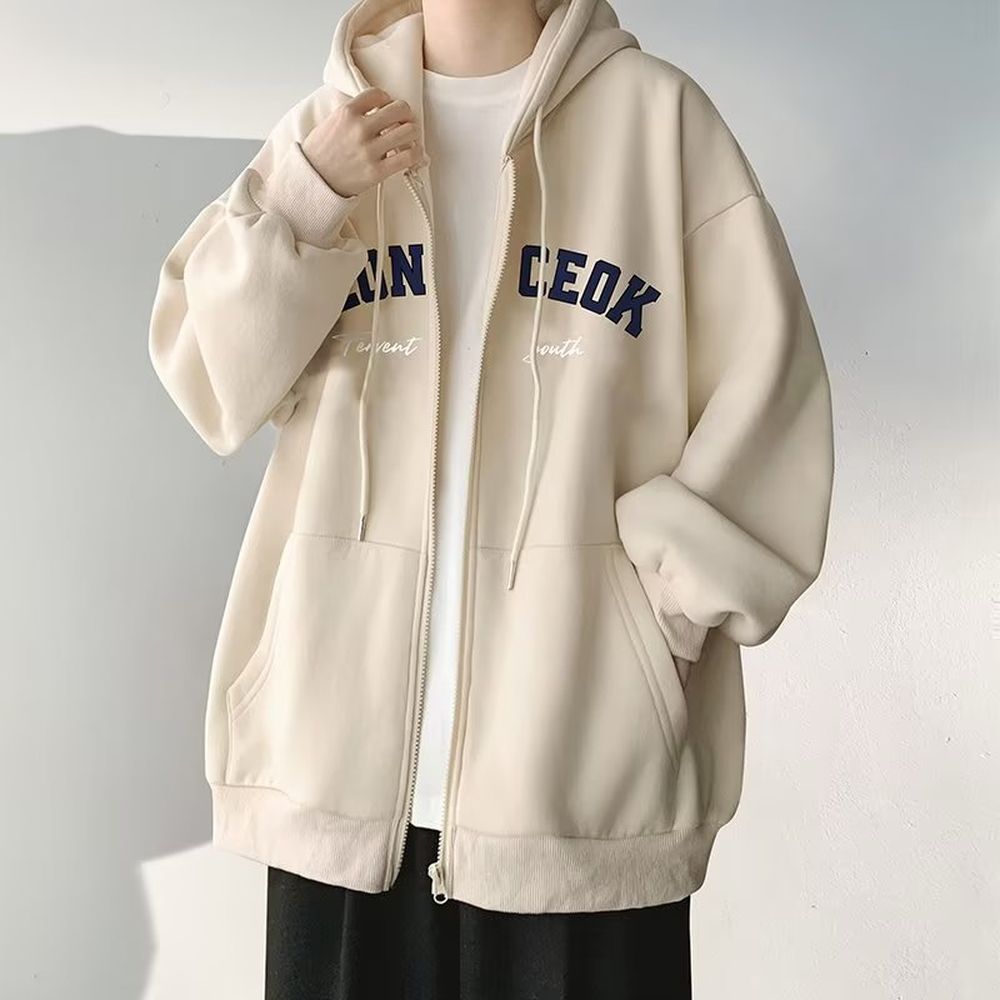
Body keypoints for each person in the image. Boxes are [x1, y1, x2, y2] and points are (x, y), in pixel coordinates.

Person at [147, 0, 835, 996]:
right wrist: (302, 197)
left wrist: (654, 614)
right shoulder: (329, 130)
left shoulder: (660, 124)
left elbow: (773, 396)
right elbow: (208, 377)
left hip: (577, 797)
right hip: (334, 793)